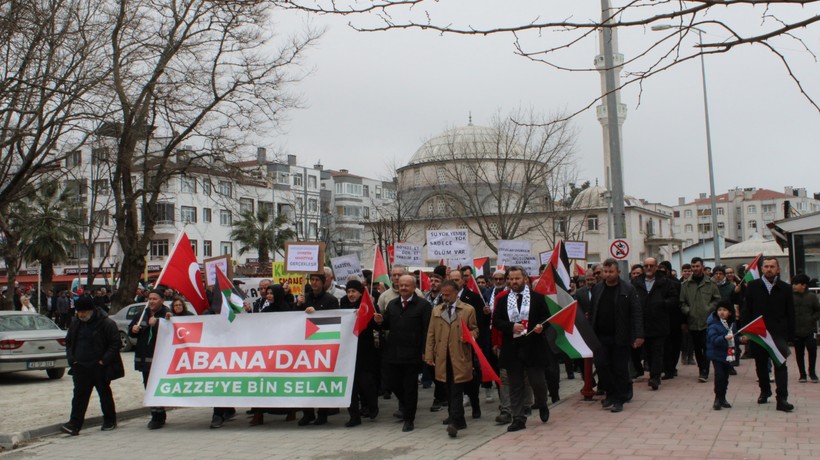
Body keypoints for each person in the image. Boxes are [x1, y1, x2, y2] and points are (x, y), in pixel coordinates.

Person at [492, 266, 550, 432]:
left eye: (517, 279)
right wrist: (511, 326)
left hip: (533, 347)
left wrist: (541, 326)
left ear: (525, 279)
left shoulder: (537, 298)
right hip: (512, 349)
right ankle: (518, 418)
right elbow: (496, 321)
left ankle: (542, 402)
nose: (513, 282)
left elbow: (547, 318)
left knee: (537, 382)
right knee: (515, 385)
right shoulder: (503, 300)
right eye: (511, 279)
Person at [374, 274, 432, 432]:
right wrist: (379, 321)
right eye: (401, 285)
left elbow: (428, 330)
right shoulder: (392, 304)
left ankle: (409, 418)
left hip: (412, 354)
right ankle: (407, 405)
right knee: (391, 383)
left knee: (410, 387)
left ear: (414, 287)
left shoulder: (423, 305)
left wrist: (425, 351)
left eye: (407, 285)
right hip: (393, 352)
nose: (403, 288)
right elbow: (386, 325)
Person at [61, 297, 124, 436]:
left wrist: (104, 360)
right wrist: (72, 359)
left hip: (99, 366)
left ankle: (109, 420)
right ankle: (74, 424)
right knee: (79, 396)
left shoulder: (106, 323)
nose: (81, 314)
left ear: (92, 310)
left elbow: (115, 344)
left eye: (84, 311)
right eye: (79, 312)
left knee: (104, 394)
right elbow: (69, 341)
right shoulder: (76, 323)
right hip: (80, 366)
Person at [425, 280, 478, 438]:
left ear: (456, 293)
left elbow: (475, 329)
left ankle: (454, 422)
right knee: (448, 389)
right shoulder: (436, 310)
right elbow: (431, 334)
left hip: (459, 356)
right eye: (443, 294)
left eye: (448, 294)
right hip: (442, 357)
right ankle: (459, 419)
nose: (445, 297)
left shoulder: (467, 310)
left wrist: (469, 336)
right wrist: (429, 354)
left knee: (456, 390)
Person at [741, 257, 795, 412]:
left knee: (781, 365)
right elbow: (746, 310)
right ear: (762, 269)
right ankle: (765, 390)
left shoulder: (785, 288)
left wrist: (791, 335)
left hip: (779, 333)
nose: (769, 269)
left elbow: (790, 312)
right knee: (761, 365)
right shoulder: (752, 286)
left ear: (778, 269)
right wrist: (746, 331)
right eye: (766, 266)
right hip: (759, 333)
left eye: (772, 266)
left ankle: (782, 398)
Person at [590, 258, 643, 413]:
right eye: (605, 272)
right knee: (602, 366)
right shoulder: (598, 289)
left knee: (620, 369)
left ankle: (619, 399)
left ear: (618, 272)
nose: (608, 275)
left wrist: (638, 335)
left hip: (621, 336)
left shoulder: (628, 289)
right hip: (600, 337)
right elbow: (593, 311)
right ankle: (610, 394)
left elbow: (636, 313)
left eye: (611, 272)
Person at [296, 272, 340, 426]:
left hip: (323, 345)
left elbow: (334, 319)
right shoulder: (304, 297)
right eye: (312, 280)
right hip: (305, 347)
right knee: (304, 379)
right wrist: (298, 305)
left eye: (317, 280)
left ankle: (322, 413)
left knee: (322, 379)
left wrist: (316, 313)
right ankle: (307, 413)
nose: (313, 283)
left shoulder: (331, 300)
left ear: (323, 283)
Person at [128, 289, 171, 429]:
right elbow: (132, 332)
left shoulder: (167, 314)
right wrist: (133, 329)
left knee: (159, 385)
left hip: (161, 357)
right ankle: (156, 414)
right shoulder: (142, 314)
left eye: (155, 298)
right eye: (150, 298)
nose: (151, 301)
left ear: (162, 300)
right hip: (144, 357)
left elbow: (174, 330)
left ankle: (160, 414)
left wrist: (158, 323)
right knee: (148, 385)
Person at [632, 257, 676, 390]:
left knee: (657, 351)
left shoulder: (665, 282)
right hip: (643, 324)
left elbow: (674, 298)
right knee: (647, 353)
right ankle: (652, 372)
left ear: (656, 267)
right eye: (646, 266)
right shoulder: (636, 283)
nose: (648, 268)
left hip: (659, 323)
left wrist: (663, 304)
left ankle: (655, 377)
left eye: (651, 266)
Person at [342, 280, 380, 427]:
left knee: (366, 383)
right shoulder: (343, 305)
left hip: (365, 351)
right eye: (349, 291)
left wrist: (366, 313)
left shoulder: (368, 305)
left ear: (360, 293)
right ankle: (354, 416)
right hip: (347, 350)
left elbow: (376, 325)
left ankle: (372, 405)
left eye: (354, 292)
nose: (351, 295)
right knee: (351, 385)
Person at [680, 257, 721, 382]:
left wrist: (709, 308)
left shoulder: (711, 283)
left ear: (702, 267)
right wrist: (688, 311)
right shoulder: (686, 284)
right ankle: (701, 368)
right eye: (693, 266)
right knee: (697, 348)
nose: (695, 269)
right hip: (693, 322)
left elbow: (717, 299)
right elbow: (682, 302)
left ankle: (705, 371)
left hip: (707, 321)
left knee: (706, 346)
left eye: (697, 266)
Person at [706, 300, 736, 410]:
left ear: (730, 313)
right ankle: (717, 398)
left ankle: (723, 397)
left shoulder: (731, 325)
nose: (721, 312)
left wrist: (741, 339)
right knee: (719, 376)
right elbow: (713, 339)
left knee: (725, 377)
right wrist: (723, 338)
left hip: (728, 354)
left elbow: (735, 337)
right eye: (719, 310)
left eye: (724, 310)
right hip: (717, 355)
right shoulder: (713, 324)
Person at [792, 274, 820, 383]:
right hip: (796, 330)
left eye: (796, 284)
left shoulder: (812, 297)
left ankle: (812, 372)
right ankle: (802, 374)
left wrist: (812, 319)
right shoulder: (791, 297)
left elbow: (818, 310)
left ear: (803, 285)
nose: (794, 286)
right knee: (799, 353)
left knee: (812, 350)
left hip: (810, 329)